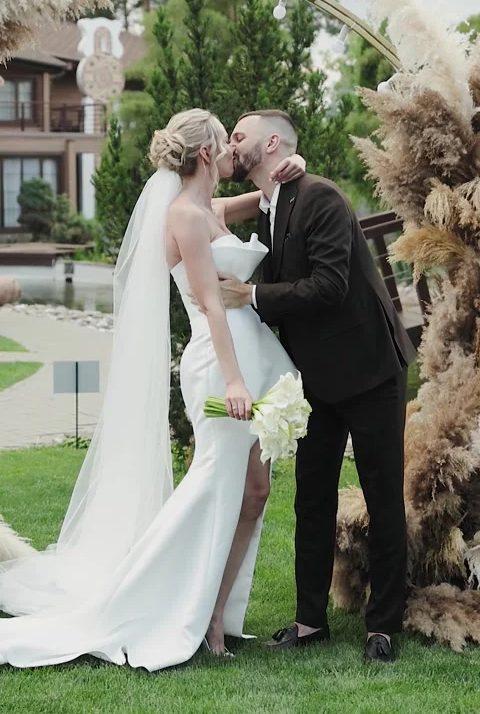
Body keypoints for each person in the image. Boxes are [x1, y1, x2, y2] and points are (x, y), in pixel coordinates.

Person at [0, 108, 306, 670]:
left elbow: (268, 196)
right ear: (209, 152)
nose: (235, 147)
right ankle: (152, 601)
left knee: (255, 495)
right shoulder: (184, 216)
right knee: (211, 487)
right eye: (226, 139)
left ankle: (217, 614)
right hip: (219, 364)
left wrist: (295, 161)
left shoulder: (210, 209)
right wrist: (235, 380)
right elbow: (209, 300)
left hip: (254, 359)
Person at [218, 109, 417, 664]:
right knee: (312, 496)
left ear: (273, 142)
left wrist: (252, 297)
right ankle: (310, 621)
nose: (233, 143)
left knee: (382, 496)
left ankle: (384, 626)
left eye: (241, 135)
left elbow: (328, 286)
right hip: (316, 379)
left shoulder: (321, 197)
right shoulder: (269, 204)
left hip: (371, 369)